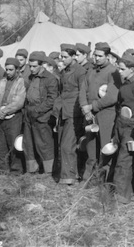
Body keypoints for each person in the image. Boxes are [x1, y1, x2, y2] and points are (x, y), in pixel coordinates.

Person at [79, 42, 121, 182]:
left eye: (99, 56)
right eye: (94, 55)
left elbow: (112, 97)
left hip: (106, 115)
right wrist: (85, 108)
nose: (96, 59)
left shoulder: (113, 72)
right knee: (91, 146)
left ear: (107, 56)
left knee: (105, 148)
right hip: (89, 115)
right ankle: (88, 178)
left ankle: (103, 180)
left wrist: (92, 106)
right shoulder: (91, 71)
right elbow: (83, 90)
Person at [113, 54, 134, 203]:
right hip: (121, 123)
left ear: (132, 69)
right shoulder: (124, 84)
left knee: (124, 161)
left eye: (122, 69)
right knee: (122, 159)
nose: (119, 72)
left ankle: (121, 196)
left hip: (131, 127)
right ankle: (128, 191)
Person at [24, 51, 59, 175]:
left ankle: (49, 171)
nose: (32, 69)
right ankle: (32, 169)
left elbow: (52, 99)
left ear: (42, 65)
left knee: (44, 143)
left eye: (34, 66)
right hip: (29, 113)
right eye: (30, 66)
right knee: (29, 143)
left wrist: (37, 110)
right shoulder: (30, 77)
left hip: (42, 116)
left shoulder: (50, 79)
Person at [57, 44, 86, 185]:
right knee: (63, 144)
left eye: (65, 57)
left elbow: (83, 92)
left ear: (74, 56)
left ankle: (70, 177)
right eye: (61, 56)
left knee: (68, 146)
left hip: (74, 113)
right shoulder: (64, 71)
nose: (62, 59)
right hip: (63, 111)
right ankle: (67, 174)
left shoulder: (80, 72)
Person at [0, 57, 26, 175]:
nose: (8, 72)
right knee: (0, 144)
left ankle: (16, 170)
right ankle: (1, 169)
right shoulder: (2, 82)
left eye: (11, 69)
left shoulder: (21, 82)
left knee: (14, 143)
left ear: (17, 69)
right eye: (6, 69)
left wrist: (5, 111)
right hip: (0, 117)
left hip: (14, 117)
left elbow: (18, 102)